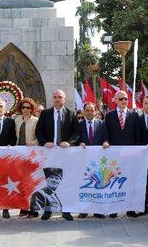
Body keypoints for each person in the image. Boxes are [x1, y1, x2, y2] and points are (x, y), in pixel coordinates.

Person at [34, 89, 78, 221]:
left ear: (64, 99)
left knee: (66, 182)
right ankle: (48, 211)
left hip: (65, 155)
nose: (57, 99)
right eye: (55, 97)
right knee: (48, 183)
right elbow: (38, 132)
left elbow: (76, 132)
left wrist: (69, 142)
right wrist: (44, 142)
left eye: (60, 97)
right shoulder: (45, 114)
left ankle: (66, 210)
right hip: (49, 154)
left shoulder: (71, 114)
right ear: (52, 99)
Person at [102, 90, 141, 218]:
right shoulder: (109, 115)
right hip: (115, 156)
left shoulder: (134, 115)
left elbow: (137, 135)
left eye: (126, 99)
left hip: (131, 156)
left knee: (129, 182)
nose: (124, 101)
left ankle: (130, 208)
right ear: (115, 100)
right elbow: (106, 133)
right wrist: (106, 141)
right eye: (121, 99)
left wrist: (138, 152)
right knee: (114, 181)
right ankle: (114, 208)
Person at [78, 102, 105, 219]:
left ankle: (97, 210)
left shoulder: (102, 124)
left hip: (98, 160)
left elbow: (106, 137)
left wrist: (106, 142)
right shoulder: (79, 125)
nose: (89, 112)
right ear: (84, 112)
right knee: (85, 185)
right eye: (87, 110)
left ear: (95, 111)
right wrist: (79, 143)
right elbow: (75, 138)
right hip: (83, 160)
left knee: (97, 185)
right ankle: (83, 210)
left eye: (91, 110)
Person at [13, 97, 38, 217]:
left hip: (31, 155)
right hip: (19, 155)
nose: (25, 109)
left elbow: (39, 137)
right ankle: (23, 207)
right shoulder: (17, 120)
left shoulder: (36, 121)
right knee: (21, 182)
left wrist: (32, 143)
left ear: (32, 109)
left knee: (30, 182)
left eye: (28, 107)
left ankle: (33, 209)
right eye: (23, 107)